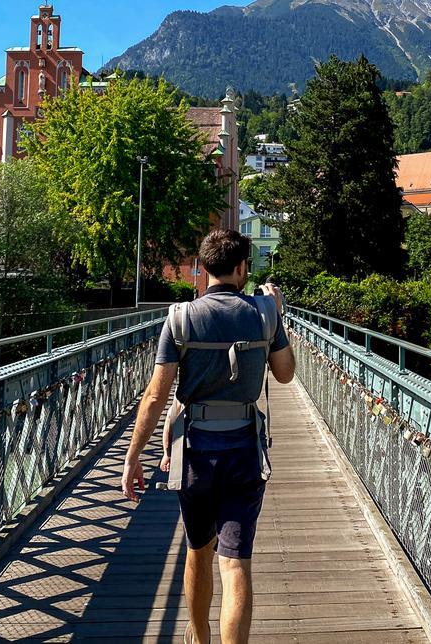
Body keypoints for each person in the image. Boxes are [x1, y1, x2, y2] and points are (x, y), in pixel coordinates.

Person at [122, 228, 295, 644]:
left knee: (198, 551)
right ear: (241, 269)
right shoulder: (263, 314)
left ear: (202, 267)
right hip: (244, 452)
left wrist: (133, 457)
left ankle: (198, 638)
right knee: (235, 564)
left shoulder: (180, 317)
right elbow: (286, 374)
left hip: (195, 451)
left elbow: (155, 395)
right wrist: (278, 314)